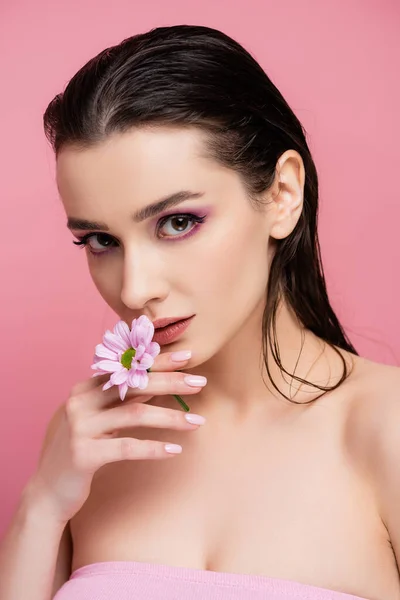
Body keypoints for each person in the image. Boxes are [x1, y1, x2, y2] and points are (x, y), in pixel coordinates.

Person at [0, 23, 399, 600]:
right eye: (99, 240)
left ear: (283, 194)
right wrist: (39, 506)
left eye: (177, 222)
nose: (135, 290)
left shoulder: (382, 429)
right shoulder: (89, 447)